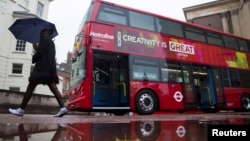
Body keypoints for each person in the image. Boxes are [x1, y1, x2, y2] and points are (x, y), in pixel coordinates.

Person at [9, 28, 68, 117]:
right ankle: (63, 108)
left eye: (41, 32)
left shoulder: (44, 39)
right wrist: (37, 48)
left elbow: (40, 54)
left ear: (45, 32)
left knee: (30, 87)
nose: (40, 34)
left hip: (41, 69)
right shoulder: (52, 43)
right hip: (50, 69)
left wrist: (35, 54)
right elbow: (46, 54)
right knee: (54, 88)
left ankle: (21, 110)